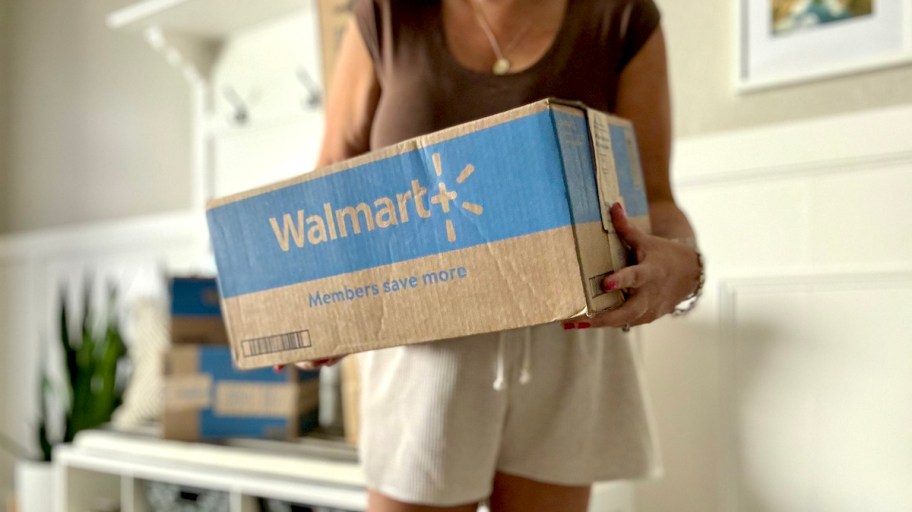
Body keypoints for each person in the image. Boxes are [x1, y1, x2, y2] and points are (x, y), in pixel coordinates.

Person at [303, 0, 703, 510]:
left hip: (568, 342)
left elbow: (657, 201)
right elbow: (332, 179)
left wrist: (685, 269)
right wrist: (315, 299)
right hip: (425, 348)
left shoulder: (619, 15)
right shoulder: (388, 12)